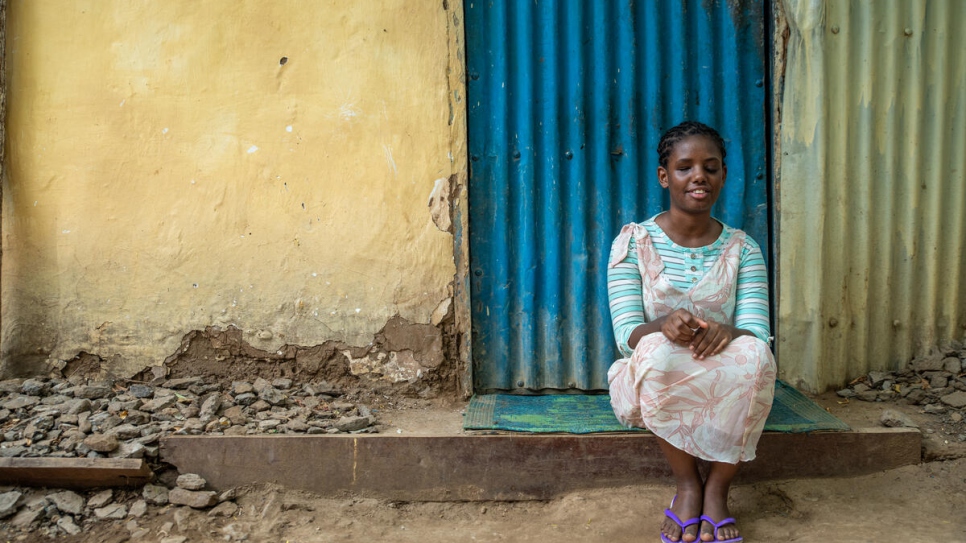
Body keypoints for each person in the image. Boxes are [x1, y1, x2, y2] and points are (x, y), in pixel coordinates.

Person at [606, 121, 776, 543]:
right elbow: (626, 333)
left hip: (723, 364)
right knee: (653, 354)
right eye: (685, 167)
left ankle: (717, 490)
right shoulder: (635, 242)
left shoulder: (743, 248)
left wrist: (729, 331)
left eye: (710, 167)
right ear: (665, 176)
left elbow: (757, 331)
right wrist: (661, 326)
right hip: (658, 367)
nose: (699, 176)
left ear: (721, 176)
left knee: (758, 358)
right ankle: (687, 485)